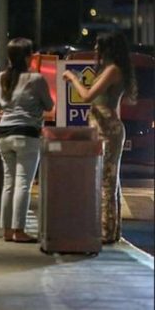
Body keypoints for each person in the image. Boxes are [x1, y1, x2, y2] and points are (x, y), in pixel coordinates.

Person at [0, 38, 54, 243]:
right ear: (28, 57)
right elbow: (48, 105)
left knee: (8, 183)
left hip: (4, 133)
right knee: (23, 184)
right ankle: (19, 230)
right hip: (27, 133)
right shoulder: (35, 79)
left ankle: (7, 231)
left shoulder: (1, 78)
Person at [62, 31, 137, 244]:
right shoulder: (113, 69)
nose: (95, 49)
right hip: (106, 128)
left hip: (106, 129)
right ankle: (112, 229)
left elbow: (87, 96)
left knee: (105, 181)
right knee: (110, 180)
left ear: (108, 49)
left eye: (99, 46)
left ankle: (106, 231)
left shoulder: (112, 70)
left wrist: (72, 78)